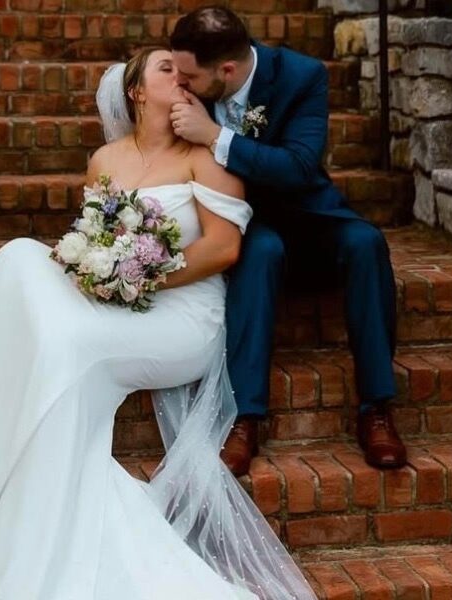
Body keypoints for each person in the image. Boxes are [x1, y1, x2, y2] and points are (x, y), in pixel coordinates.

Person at [0, 47, 316, 599]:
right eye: (165, 69)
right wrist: (102, 271)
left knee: (66, 345)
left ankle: (19, 448)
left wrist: (144, 279)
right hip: (120, 299)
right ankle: (0, 442)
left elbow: (224, 250)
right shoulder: (104, 161)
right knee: (17, 256)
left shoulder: (203, 157)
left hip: (184, 316)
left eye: (185, 73)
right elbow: (96, 241)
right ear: (136, 92)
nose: (181, 77)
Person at [168, 7, 407, 474]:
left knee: (366, 243)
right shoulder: (191, 84)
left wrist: (216, 136)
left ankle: (376, 408)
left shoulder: (302, 77)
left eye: (190, 74)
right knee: (262, 249)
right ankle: (245, 418)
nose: (180, 82)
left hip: (308, 214)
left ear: (228, 71)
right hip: (245, 226)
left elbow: (298, 168)